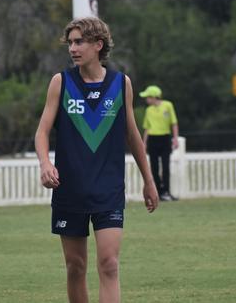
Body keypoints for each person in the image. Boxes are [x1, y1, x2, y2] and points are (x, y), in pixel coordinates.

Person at [35, 17, 159, 303]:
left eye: (79, 42)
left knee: (110, 264)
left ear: (98, 45)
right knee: (75, 267)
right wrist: (45, 163)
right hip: (69, 189)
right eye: (71, 43)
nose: (73, 49)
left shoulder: (120, 84)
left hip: (108, 188)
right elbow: (41, 132)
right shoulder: (61, 82)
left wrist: (149, 181)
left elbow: (133, 136)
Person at [140, 85, 179, 201]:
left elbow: (174, 123)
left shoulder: (168, 105)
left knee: (166, 166)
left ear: (154, 97)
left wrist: (175, 138)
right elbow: (147, 128)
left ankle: (166, 191)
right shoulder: (148, 110)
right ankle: (157, 192)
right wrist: (144, 143)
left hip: (165, 138)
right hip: (153, 139)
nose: (146, 99)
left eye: (148, 97)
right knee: (154, 167)